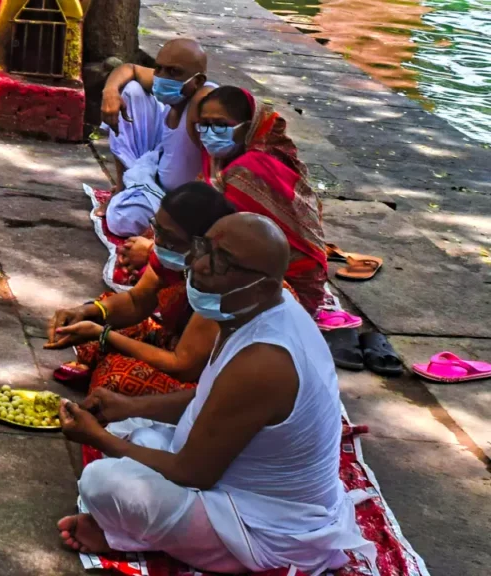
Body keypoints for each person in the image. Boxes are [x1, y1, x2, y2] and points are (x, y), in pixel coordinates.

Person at [55, 213, 373, 574]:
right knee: (134, 425)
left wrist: (96, 437)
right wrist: (128, 406)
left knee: (103, 482)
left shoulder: (264, 360)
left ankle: (142, 536)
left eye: (221, 261)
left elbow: (193, 473)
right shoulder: (249, 308)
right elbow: (208, 397)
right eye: (203, 247)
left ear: (263, 285)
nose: (200, 265)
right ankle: (141, 525)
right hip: (231, 477)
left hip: (266, 530)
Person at [45, 182, 234, 396]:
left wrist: (104, 335)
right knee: (100, 313)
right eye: (157, 229)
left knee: (116, 376)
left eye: (170, 238)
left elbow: (183, 366)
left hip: (205, 376)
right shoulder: (173, 253)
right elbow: (137, 301)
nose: (158, 242)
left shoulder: (223, 285)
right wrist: (88, 311)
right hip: (173, 341)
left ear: (200, 245)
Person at [198, 86, 327, 315]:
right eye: (204, 124)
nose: (210, 132)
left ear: (247, 128)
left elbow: (217, 232)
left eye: (220, 124)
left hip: (291, 285)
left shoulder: (250, 169)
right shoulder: (219, 161)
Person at [96, 38, 215, 240]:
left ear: (198, 81)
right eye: (158, 68)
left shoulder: (204, 101)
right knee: (131, 92)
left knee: (122, 219)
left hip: (180, 201)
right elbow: (129, 69)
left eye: (173, 72)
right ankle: (123, 188)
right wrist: (110, 92)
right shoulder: (173, 86)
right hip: (156, 166)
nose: (161, 77)